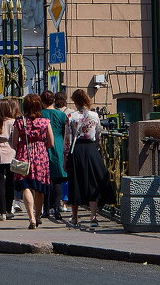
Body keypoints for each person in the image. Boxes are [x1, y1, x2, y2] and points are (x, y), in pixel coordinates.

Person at [64, 89, 114, 227]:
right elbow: (98, 135)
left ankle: (74, 217)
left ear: (75, 101)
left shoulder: (71, 116)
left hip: (77, 149)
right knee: (93, 181)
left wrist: (65, 157)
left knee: (75, 182)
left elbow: (67, 139)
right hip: (91, 149)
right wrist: (96, 148)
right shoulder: (94, 115)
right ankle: (93, 217)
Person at [13, 93, 55, 229]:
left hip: (23, 154)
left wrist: (23, 147)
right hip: (41, 155)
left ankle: (31, 217)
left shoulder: (19, 122)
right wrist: (41, 147)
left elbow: (14, 143)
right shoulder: (45, 122)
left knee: (25, 186)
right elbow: (51, 143)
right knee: (39, 188)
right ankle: (37, 216)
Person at [0, 98, 18, 220]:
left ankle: (2, 212)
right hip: (10, 151)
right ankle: (9, 209)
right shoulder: (13, 122)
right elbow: (16, 139)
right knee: (10, 182)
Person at [41, 90, 69, 221]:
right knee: (57, 179)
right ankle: (57, 208)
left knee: (45, 178)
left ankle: (45, 209)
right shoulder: (62, 115)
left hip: (43, 146)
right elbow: (65, 133)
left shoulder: (39, 114)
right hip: (58, 145)